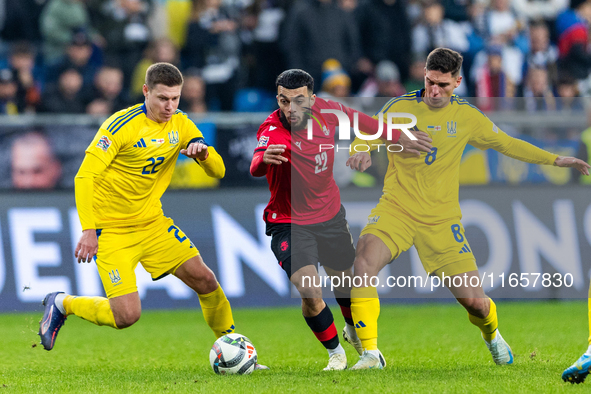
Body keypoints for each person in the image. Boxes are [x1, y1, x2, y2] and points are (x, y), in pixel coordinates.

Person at [345, 48, 590, 370]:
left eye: (443, 85)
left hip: (441, 220)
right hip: (396, 208)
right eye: (430, 82)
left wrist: (555, 160)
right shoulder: (399, 107)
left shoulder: (467, 116)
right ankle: (371, 354)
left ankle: (492, 335)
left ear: (457, 82)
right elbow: (368, 134)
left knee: (476, 304)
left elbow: (507, 143)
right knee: (363, 262)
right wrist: (361, 152)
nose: (434, 91)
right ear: (424, 76)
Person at [38, 62, 267, 370]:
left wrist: (204, 154)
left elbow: (220, 170)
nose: (169, 106)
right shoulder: (120, 126)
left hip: (153, 225)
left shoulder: (182, 125)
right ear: (146, 91)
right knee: (126, 317)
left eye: (175, 98)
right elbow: (84, 177)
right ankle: (62, 303)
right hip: (113, 231)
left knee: (206, 280)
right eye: (162, 98)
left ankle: (234, 350)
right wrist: (89, 230)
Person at [250, 69, 432, 370]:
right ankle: (336, 352)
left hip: (329, 217)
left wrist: (403, 137)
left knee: (346, 286)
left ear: (313, 98)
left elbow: (370, 125)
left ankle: (352, 330)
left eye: (298, 101)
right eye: (284, 101)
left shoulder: (330, 112)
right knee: (309, 289)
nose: (290, 109)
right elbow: (257, 162)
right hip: (289, 221)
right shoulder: (272, 129)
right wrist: (263, 159)